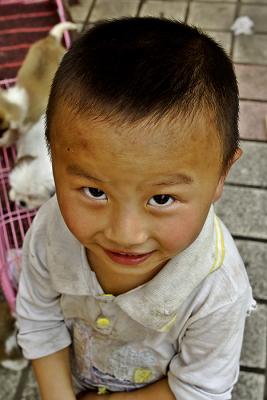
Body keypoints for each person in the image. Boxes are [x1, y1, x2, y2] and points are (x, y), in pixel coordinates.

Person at [16, 17, 255, 400]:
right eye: (94, 191)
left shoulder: (216, 290)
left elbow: (199, 389)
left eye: (161, 199)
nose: (125, 233)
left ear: (222, 174)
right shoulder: (50, 231)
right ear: (53, 160)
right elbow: (39, 321)